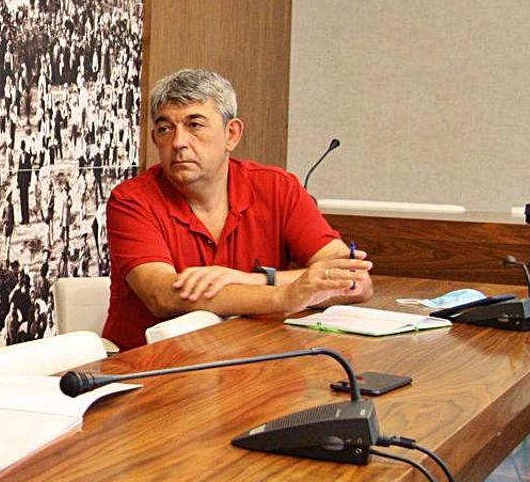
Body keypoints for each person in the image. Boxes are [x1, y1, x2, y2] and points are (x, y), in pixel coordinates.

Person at [104, 69, 373, 350]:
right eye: (165, 128)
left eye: (194, 125)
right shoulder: (131, 200)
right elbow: (163, 296)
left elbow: (354, 280)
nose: (178, 142)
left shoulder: (277, 187)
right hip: (146, 367)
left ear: (231, 134)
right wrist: (285, 296)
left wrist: (251, 279)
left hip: (249, 358)